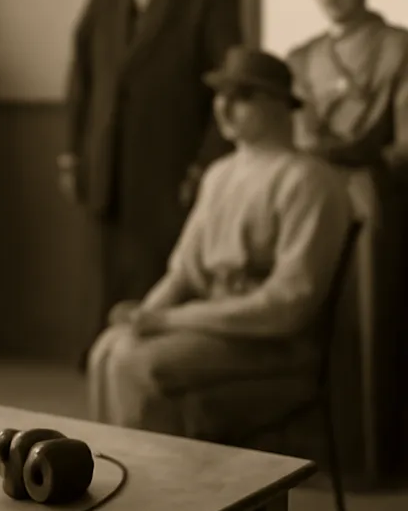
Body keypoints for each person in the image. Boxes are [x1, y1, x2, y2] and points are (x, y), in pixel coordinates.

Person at [87, 47, 352, 440]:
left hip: (272, 342)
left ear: (281, 105)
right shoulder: (219, 175)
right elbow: (183, 273)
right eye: (220, 94)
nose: (224, 107)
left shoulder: (308, 180)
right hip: (213, 325)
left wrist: (168, 321)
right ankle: (119, 465)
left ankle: (155, 476)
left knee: (133, 362)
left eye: (242, 96)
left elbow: (287, 306)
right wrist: (144, 316)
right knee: (109, 347)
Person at [59, 0, 241, 366]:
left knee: (161, 266)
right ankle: (104, 353)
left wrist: (206, 162)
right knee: (107, 266)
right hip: (107, 162)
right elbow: (80, 79)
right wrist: (72, 154)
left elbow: (229, 86)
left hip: (170, 162)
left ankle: (149, 359)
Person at [286, 0, 408, 479]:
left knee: (369, 315)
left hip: (370, 194)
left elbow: (404, 143)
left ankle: (371, 454)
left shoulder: (397, 48)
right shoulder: (302, 57)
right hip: (310, 194)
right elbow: (295, 135)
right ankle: (315, 449)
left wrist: (364, 157)